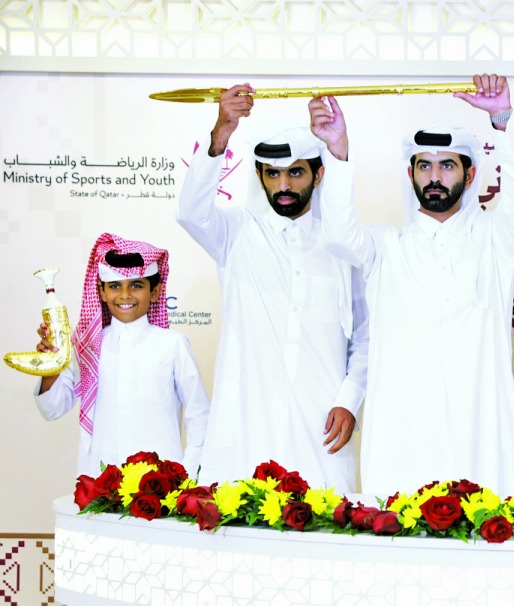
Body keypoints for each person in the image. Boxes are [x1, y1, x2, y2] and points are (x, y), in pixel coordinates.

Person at [310, 73, 514, 495]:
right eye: (425, 166)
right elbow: (339, 233)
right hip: (405, 433)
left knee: (484, 519)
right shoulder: (385, 247)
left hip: (478, 428)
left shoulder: (495, 241)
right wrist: (338, 151)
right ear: (411, 174)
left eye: (447, 165)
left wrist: (503, 120)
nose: (435, 176)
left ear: (470, 176)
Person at [177, 85, 368, 490]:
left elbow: (365, 335)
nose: (283, 185)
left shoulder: (342, 246)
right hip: (247, 426)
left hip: (322, 428)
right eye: (272, 173)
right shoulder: (236, 234)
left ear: (318, 175)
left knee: (325, 519)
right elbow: (191, 213)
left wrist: (349, 399)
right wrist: (222, 131)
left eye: (295, 172)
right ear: (259, 176)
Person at [33, 234, 209, 476]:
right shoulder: (87, 348)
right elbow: (52, 409)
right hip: (100, 481)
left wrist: (187, 472)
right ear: (102, 292)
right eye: (115, 286)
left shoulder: (173, 345)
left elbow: (199, 413)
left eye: (136, 285)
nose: (125, 295)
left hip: (160, 483)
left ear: (155, 292)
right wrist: (50, 368)